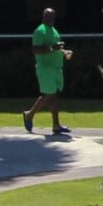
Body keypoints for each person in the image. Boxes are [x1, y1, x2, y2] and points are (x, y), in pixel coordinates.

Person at [21, 8, 72, 137]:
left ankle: (56, 125)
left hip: (56, 68)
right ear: (43, 16)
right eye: (48, 16)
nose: (50, 18)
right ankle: (29, 114)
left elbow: (56, 48)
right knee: (49, 94)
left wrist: (64, 51)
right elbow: (35, 50)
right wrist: (52, 48)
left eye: (52, 16)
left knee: (54, 95)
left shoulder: (54, 30)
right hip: (45, 68)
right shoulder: (40, 31)